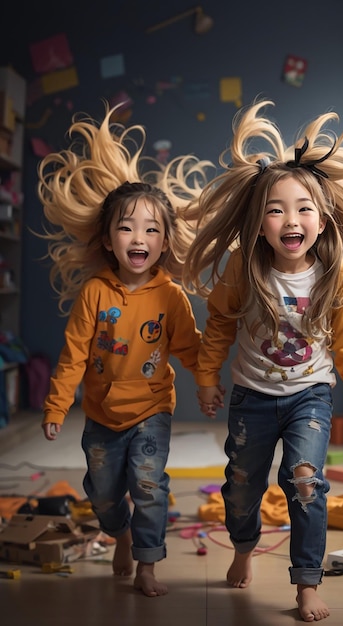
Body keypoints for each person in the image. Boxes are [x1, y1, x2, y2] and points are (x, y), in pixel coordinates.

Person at [183, 99, 343, 621]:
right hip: (250, 397)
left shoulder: (334, 276)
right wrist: (205, 379)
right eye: (276, 209)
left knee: (305, 479)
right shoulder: (243, 271)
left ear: (323, 217)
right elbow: (219, 324)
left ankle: (306, 582)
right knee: (243, 482)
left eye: (303, 208)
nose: (291, 219)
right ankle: (244, 547)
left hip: (309, 394)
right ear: (259, 223)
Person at [38, 103, 215, 596]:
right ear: (109, 238)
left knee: (150, 485)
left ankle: (147, 564)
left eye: (152, 229)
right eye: (127, 227)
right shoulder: (94, 292)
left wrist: (206, 385)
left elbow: (191, 347)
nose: (139, 237)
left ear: (164, 242)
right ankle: (118, 534)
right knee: (104, 496)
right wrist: (56, 405)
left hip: (153, 409)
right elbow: (73, 353)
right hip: (100, 412)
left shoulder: (170, 296)